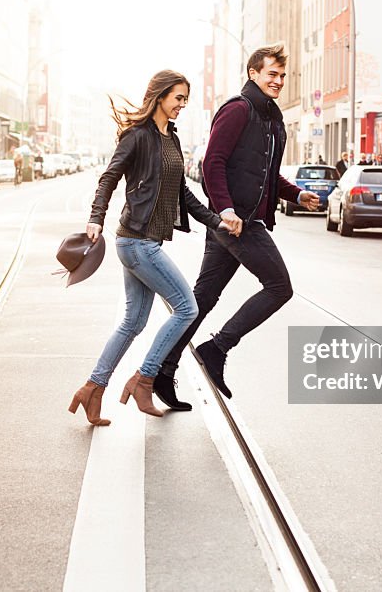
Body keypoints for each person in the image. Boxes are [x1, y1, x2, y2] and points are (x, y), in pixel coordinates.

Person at [154, 43, 320, 409]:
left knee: (201, 300)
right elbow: (214, 162)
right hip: (236, 221)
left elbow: (265, 173)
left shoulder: (272, 118)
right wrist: (226, 210)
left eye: (281, 75)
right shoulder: (238, 110)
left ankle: (160, 371)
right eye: (271, 74)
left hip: (234, 221)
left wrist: (296, 195)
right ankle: (217, 347)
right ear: (253, 73)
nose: (277, 81)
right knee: (279, 287)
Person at [68, 70, 237, 426]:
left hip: (146, 241)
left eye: (185, 100)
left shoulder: (171, 139)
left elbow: (184, 195)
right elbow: (109, 177)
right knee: (187, 308)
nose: (181, 106)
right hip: (136, 241)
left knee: (132, 322)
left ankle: (92, 389)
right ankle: (145, 378)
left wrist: (217, 220)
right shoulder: (137, 136)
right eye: (178, 98)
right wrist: (96, 217)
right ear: (159, 96)